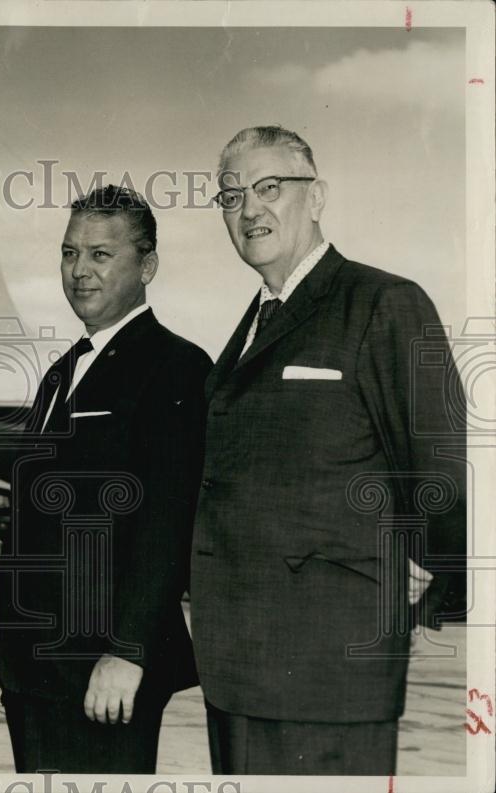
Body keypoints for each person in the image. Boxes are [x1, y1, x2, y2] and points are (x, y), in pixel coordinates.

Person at [191, 125, 466, 775]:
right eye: (231, 196)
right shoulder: (254, 324)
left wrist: (419, 575)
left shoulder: (382, 304)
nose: (249, 208)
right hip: (238, 672)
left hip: (328, 676)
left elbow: (441, 469)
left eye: (269, 187)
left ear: (316, 198)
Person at [0, 186, 212, 773]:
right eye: (69, 253)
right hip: (36, 667)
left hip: (105, 668)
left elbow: (166, 520)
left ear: (148, 266)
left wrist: (129, 653)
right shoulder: (62, 372)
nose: (79, 271)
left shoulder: (177, 366)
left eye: (100, 255)